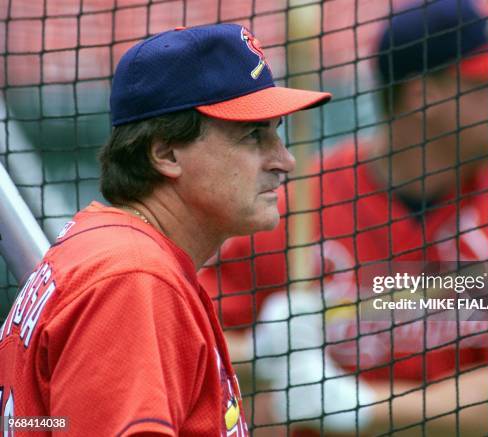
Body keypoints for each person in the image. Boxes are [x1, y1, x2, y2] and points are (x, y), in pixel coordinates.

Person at [199, 1, 488, 435]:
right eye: (487, 81)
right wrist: (258, 355)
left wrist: (362, 407)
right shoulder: (293, 206)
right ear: (421, 95)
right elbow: (192, 346)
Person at [0, 23, 330, 436]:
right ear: (166, 152)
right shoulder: (133, 281)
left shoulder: (115, 252)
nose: (285, 160)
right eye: (252, 135)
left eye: (276, 133)